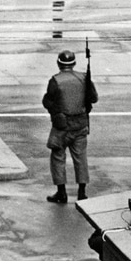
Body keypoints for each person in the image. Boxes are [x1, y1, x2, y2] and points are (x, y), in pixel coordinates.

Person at [42, 49, 98, 204]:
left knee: (58, 157)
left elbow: (47, 101)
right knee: (81, 158)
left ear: (59, 64)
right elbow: (93, 98)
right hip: (80, 125)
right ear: (73, 63)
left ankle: (61, 193)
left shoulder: (55, 80)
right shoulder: (83, 78)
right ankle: (82, 193)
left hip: (61, 127)